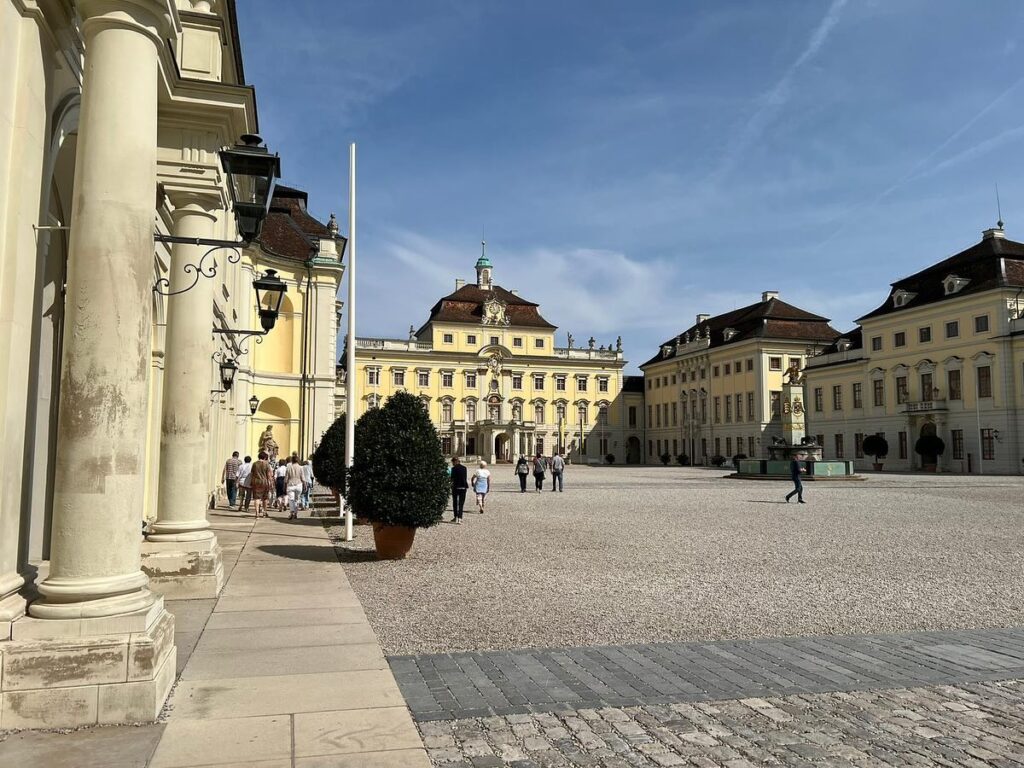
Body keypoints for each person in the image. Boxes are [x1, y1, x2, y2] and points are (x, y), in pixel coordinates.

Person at [250, 451, 273, 518]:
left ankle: (257, 513)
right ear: (265, 457)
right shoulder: (267, 464)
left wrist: (251, 482)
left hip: (256, 482)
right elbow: (269, 475)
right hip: (264, 482)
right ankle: (264, 512)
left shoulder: (255, 464)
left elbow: (252, 474)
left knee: (257, 498)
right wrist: (271, 483)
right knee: (265, 498)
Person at [451, 457, 468, 523]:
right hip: (463, 487)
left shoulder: (454, 469)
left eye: (452, 462)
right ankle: (460, 518)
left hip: (456, 487)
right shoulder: (464, 468)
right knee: (461, 503)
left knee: (455, 503)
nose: (452, 464)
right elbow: (465, 477)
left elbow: (452, 478)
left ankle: (456, 517)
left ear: (454, 462)